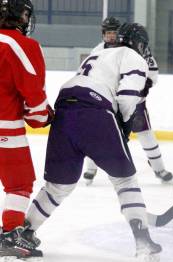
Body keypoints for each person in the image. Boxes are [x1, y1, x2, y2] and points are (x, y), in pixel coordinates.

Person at [23, 23, 162, 260]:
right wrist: (124, 126)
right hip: (95, 111)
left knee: (58, 186)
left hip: (64, 109)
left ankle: (24, 234)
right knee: (124, 179)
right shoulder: (133, 56)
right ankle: (143, 242)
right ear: (139, 43)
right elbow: (128, 97)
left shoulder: (98, 53)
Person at [83, 20, 173, 185]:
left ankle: (159, 168)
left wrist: (142, 89)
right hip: (111, 101)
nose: (111, 36)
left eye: (113, 32)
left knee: (146, 135)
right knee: (99, 133)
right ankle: (91, 168)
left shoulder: (140, 49)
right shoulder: (100, 50)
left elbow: (152, 73)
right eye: (108, 32)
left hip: (134, 101)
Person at [0, 0, 54, 259]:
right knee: (19, 183)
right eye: (23, 12)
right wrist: (43, 116)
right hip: (5, 128)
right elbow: (33, 96)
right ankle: (11, 235)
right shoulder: (23, 45)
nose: (25, 17)